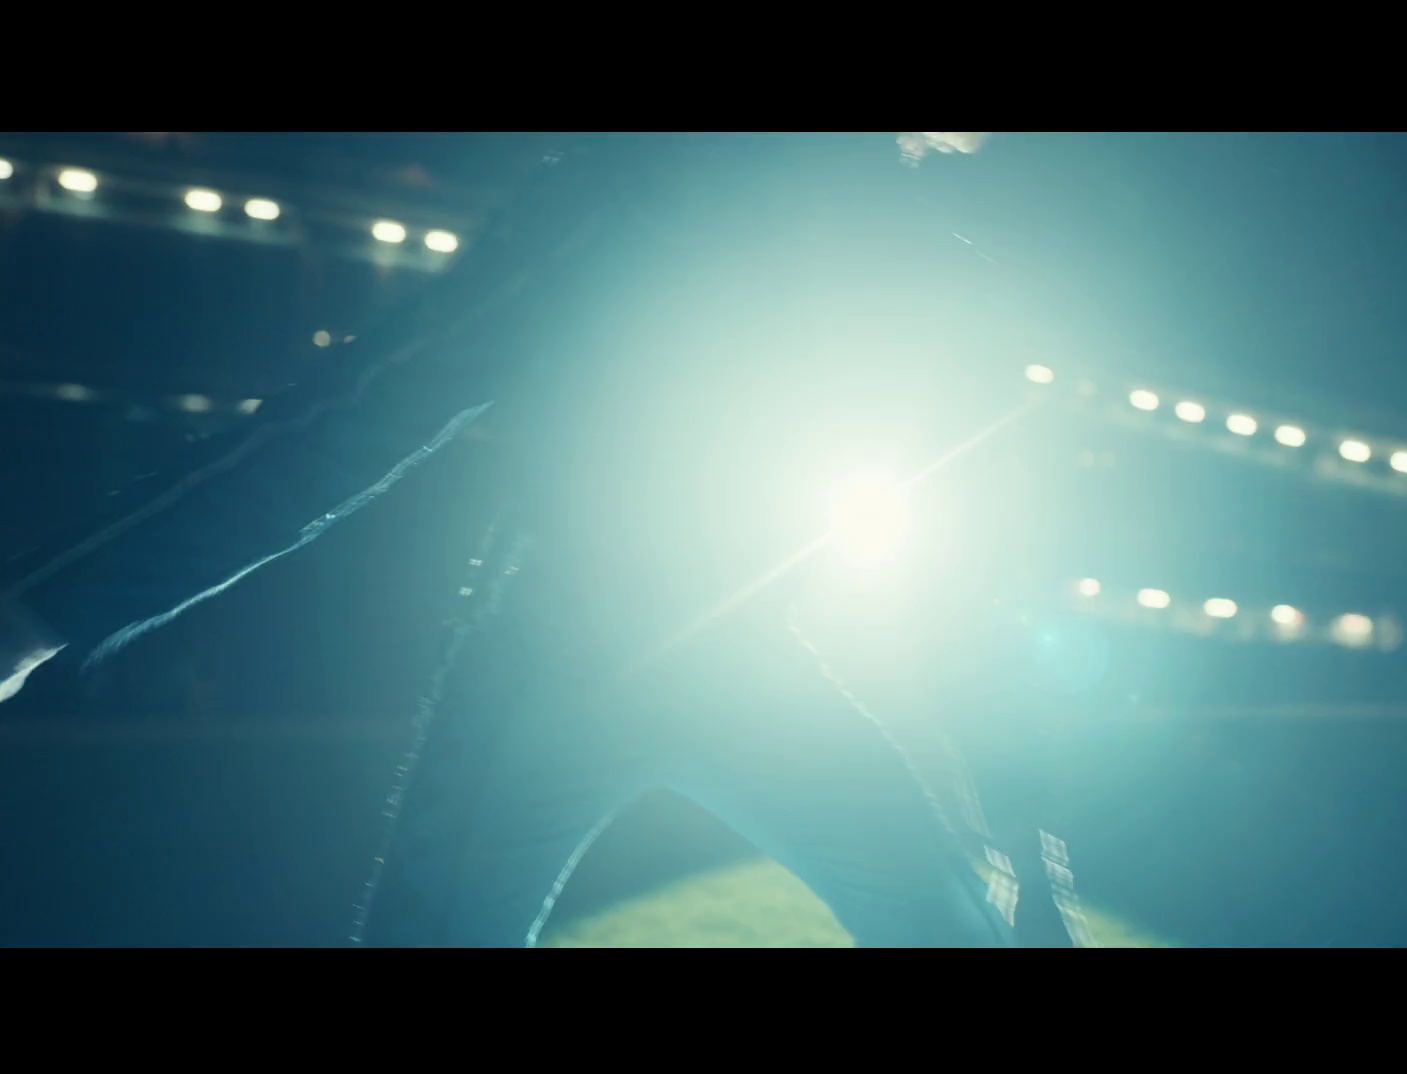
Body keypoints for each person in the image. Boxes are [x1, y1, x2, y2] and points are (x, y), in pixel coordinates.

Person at [1, 133, 1090, 947]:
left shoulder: (765, 226)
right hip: (616, 663)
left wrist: (42, 611)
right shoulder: (656, 208)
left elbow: (343, 430)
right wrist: (43, 610)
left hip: (646, 664)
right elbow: (346, 429)